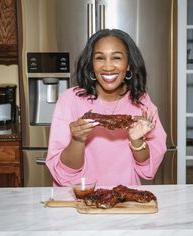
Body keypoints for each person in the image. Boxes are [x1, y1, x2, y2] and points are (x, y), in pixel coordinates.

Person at [46, 29, 167, 186]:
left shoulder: (141, 102)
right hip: (80, 200)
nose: (108, 67)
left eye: (116, 57)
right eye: (100, 58)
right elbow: (63, 174)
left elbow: (147, 170)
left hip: (124, 200)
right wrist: (77, 139)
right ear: (92, 64)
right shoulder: (70, 100)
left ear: (129, 64)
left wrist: (136, 141)